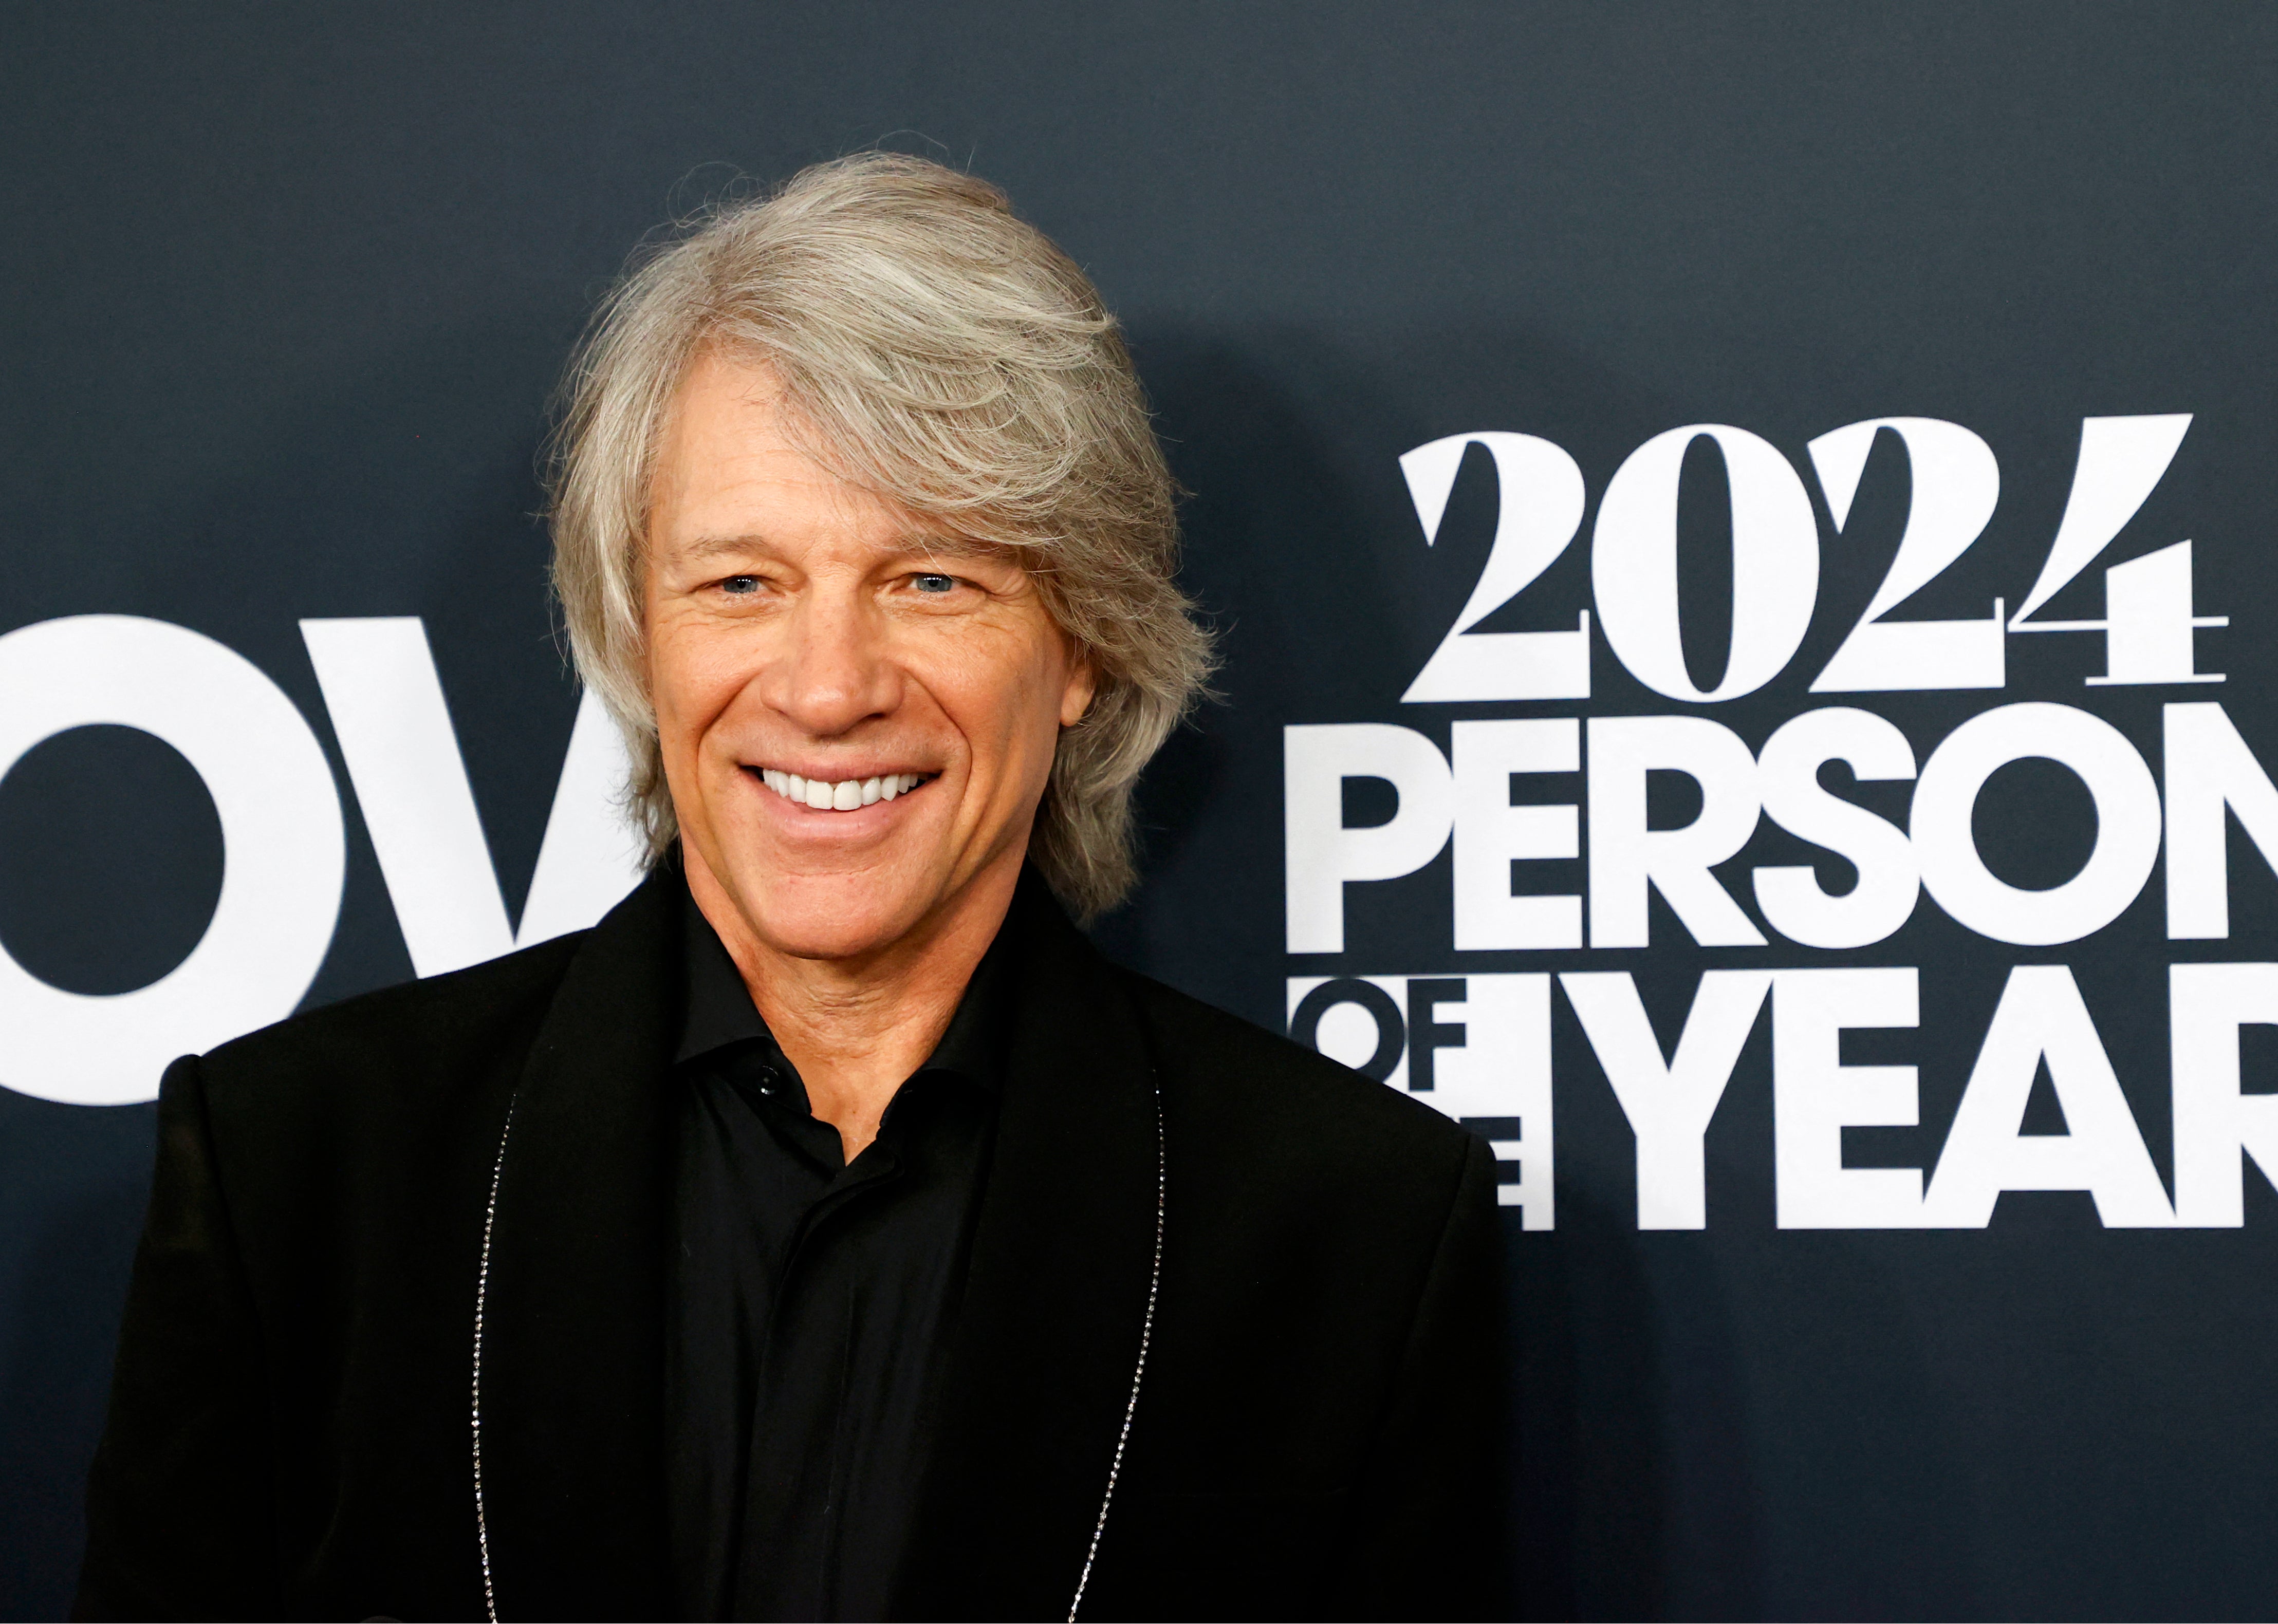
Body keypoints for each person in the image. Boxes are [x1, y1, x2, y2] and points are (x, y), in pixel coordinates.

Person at [74, 154, 1507, 1623]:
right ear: (639, 639)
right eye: (741, 584)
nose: (829, 691)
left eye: (932, 579)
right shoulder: (298, 1181)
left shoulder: (1352, 1237)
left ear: (1082, 646)